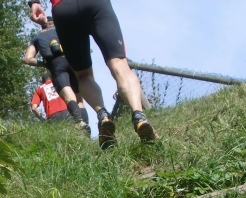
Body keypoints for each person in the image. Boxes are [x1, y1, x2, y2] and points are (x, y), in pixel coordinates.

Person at [27, 0, 157, 148]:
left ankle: (102, 115)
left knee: (83, 75)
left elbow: (28, 58)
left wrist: (34, 3)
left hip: (63, 9)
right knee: (120, 65)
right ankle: (139, 116)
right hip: (96, 4)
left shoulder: (38, 37)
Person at [23, 16, 90, 133]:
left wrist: (44, 63)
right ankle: (87, 129)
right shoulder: (62, 30)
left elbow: (27, 59)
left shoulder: (37, 37)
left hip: (56, 66)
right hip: (72, 61)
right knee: (79, 99)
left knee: (69, 96)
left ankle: (79, 121)